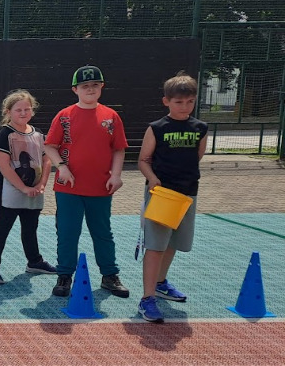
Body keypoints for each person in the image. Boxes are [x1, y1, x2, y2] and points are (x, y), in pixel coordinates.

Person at [44, 65, 130, 298]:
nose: (90, 89)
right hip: (68, 188)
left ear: (101, 87)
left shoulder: (111, 116)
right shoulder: (64, 116)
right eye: (84, 86)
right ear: (75, 89)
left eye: (94, 85)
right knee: (67, 232)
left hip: (100, 187)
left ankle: (109, 275)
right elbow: (50, 146)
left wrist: (116, 175)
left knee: (102, 232)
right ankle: (64, 275)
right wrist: (62, 167)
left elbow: (118, 149)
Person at [135, 73, 207, 323]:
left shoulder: (200, 128)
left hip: (187, 194)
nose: (184, 107)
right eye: (179, 102)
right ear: (166, 101)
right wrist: (153, 179)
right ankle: (147, 298)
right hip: (161, 195)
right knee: (156, 246)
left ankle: (160, 283)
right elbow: (143, 160)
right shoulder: (157, 128)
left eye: (190, 102)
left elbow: (197, 157)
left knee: (173, 243)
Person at [0, 90, 57, 285]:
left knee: (30, 228)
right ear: (8, 112)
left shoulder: (38, 134)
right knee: (2, 229)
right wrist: (23, 188)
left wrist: (41, 184)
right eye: (18, 110)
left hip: (34, 191)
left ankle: (34, 261)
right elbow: (4, 166)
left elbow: (46, 160)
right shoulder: (5, 134)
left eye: (27, 109)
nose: (23, 113)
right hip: (9, 193)